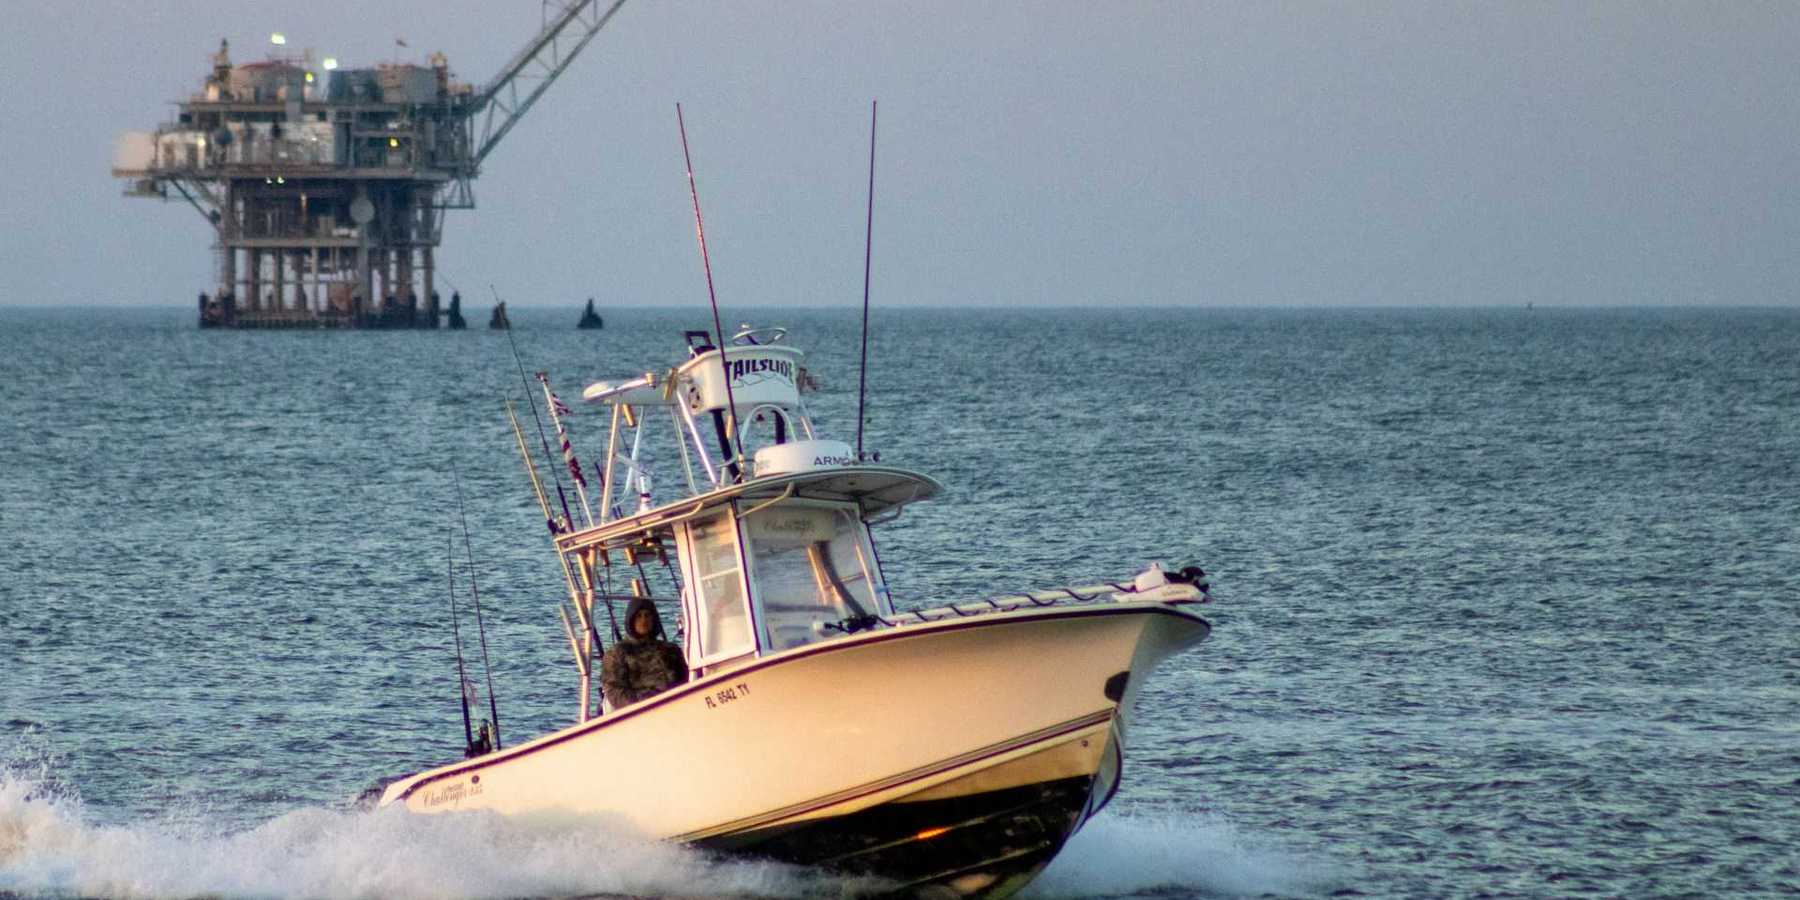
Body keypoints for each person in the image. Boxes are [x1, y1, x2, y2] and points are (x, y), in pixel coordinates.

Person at [602, 596, 688, 709]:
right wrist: (641, 705)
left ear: (654, 619)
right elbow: (614, 691)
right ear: (631, 620)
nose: (643, 620)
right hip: (643, 709)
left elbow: (687, 678)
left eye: (647, 615)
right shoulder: (618, 653)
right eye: (639, 616)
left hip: (678, 703)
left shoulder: (671, 649)